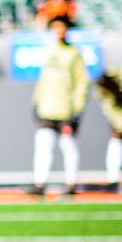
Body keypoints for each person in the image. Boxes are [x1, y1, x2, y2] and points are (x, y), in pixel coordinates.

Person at [27, 16, 87, 196]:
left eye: (61, 27)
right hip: (47, 107)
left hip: (65, 109)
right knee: (43, 146)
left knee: (68, 147)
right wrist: (36, 101)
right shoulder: (49, 51)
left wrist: (77, 109)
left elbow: (81, 83)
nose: (58, 31)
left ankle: (71, 183)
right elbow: (43, 80)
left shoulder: (73, 53)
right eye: (55, 27)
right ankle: (40, 183)